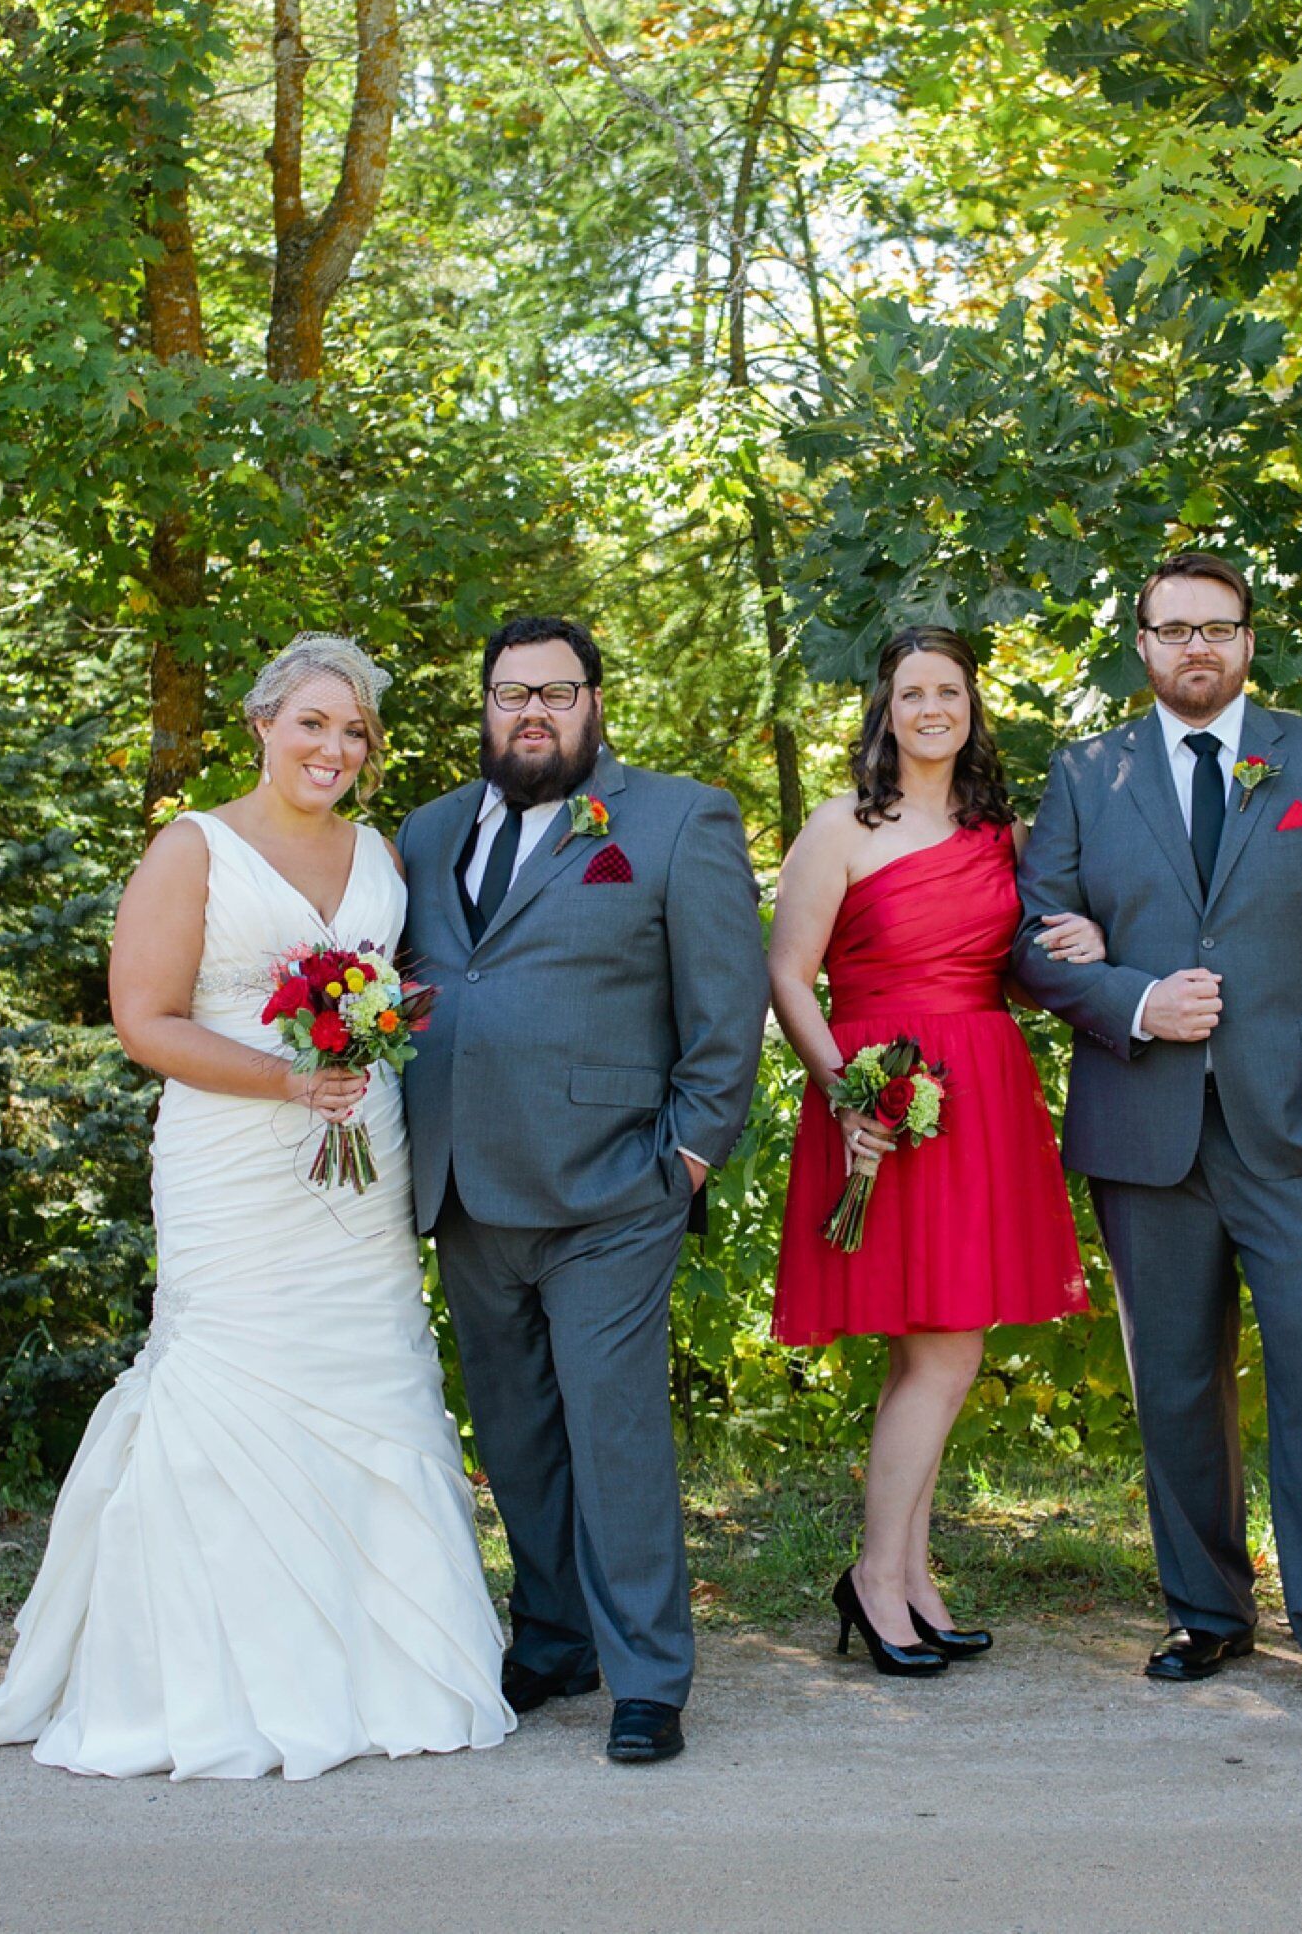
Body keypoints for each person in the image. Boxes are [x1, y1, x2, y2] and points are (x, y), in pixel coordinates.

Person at [0, 634, 511, 1779]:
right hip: (234, 1158)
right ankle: (205, 1681)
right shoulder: (192, 846)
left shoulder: (381, 857)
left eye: (353, 732)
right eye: (312, 723)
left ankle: (381, 1671)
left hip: (360, 1156)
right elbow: (146, 1020)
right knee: (230, 1377)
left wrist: (360, 1057)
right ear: (261, 724)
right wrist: (290, 1079)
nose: (334, 748)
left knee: (368, 1373)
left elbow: (401, 995)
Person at [1015, 549, 1302, 1721]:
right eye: (1174, 629)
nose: (1197, 647)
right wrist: (1137, 999)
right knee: (1178, 1386)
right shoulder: (1088, 775)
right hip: (1147, 1128)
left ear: (1249, 641)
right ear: (1140, 646)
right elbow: (1035, 944)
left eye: (1219, 628)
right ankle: (1208, 1610)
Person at [395, 616, 770, 1766]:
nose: (534, 714)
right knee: (514, 1437)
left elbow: (725, 1007)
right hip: (463, 1184)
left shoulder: (674, 818)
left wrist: (687, 1157)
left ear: (595, 701)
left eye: (558, 693)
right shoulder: (424, 832)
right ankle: (555, 1635)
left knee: (612, 1434)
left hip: (613, 1187)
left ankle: (649, 1678)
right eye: (513, 695)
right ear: (485, 706)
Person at [768, 625, 1094, 1674]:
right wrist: (843, 1094)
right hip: (882, 1096)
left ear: (970, 706)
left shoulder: (1009, 834)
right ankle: (876, 1577)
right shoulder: (841, 827)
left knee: (937, 1344)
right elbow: (787, 978)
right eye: (912, 692)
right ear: (886, 708)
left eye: (948, 691)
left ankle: (907, 1578)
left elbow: (1042, 948)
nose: (931, 709)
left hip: (981, 1093)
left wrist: (1083, 939)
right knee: (944, 1348)